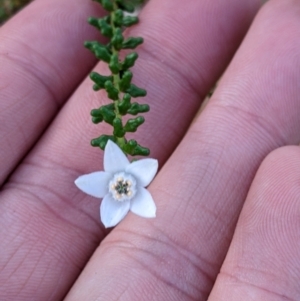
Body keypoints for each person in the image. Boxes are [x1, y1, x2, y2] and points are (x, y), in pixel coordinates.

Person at [0, 0, 299, 300]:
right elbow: (115, 204)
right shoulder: (120, 188)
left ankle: (119, 14)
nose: (120, 184)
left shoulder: (129, 172)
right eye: (121, 184)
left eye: (120, 184)